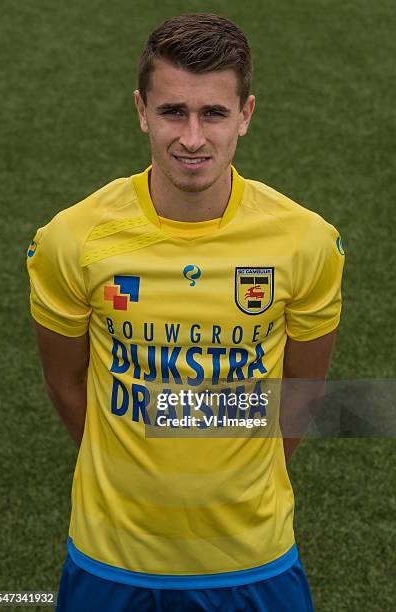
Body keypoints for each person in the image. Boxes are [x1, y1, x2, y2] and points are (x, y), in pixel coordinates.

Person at [27, 13, 345, 612]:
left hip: (256, 559)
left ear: (245, 115)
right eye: (173, 111)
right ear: (142, 110)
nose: (192, 138)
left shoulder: (306, 243)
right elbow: (66, 384)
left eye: (214, 114)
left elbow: (302, 393)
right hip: (110, 558)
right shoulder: (71, 240)